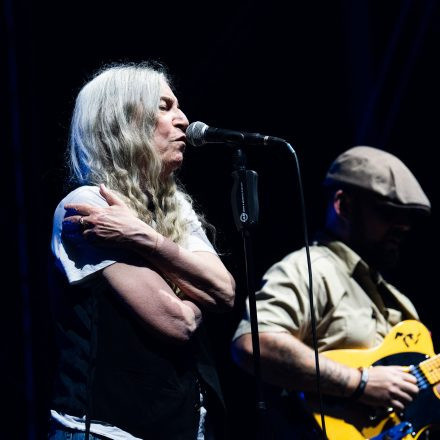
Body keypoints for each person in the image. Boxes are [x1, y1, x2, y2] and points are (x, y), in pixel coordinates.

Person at [48, 62, 236, 440]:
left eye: (178, 106)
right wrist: (189, 279)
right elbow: (177, 321)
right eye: (164, 107)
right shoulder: (87, 205)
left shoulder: (175, 207)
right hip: (105, 432)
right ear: (122, 121)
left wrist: (142, 237)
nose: (183, 120)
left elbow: (225, 291)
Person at [231, 146, 431, 437]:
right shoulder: (309, 268)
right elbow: (253, 344)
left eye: (407, 218)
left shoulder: (396, 298)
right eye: (388, 212)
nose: (402, 226)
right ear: (343, 206)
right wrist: (359, 383)